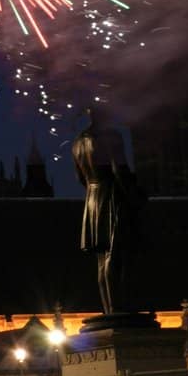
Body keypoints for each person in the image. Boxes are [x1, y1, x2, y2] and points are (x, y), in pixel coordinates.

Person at [72, 107, 143, 316]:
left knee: (102, 258)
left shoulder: (77, 143)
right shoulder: (111, 136)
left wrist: (94, 189)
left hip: (92, 198)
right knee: (116, 253)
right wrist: (132, 194)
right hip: (112, 194)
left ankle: (110, 309)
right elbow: (118, 169)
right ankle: (120, 307)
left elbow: (80, 178)